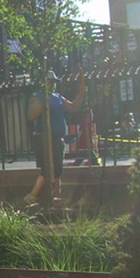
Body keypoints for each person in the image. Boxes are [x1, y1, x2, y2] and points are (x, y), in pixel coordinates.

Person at [24, 69, 87, 206]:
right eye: (49, 81)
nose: (52, 84)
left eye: (53, 81)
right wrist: (43, 101)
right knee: (47, 169)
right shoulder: (38, 97)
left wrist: (80, 96)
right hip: (44, 139)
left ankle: (56, 196)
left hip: (58, 139)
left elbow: (72, 107)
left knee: (57, 169)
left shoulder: (58, 97)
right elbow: (31, 115)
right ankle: (33, 195)